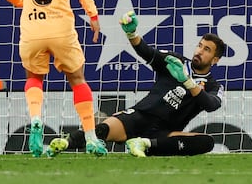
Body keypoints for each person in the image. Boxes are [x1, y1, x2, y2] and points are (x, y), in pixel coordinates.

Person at [1, 0, 108, 158]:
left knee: (34, 78)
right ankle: (91, 137)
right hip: (60, 27)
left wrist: (26, 2)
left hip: (32, 26)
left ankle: (36, 119)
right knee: (78, 79)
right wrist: (92, 15)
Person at [47, 10, 226, 157]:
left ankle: (142, 144)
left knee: (207, 142)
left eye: (207, 50)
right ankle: (64, 142)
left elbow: (210, 105)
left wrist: (187, 82)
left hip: (164, 133)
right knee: (103, 128)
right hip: (140, 116)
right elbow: (148, 53)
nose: (200, 51)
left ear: (215, 60)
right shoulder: (176, 61)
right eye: (200, 45)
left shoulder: (213, 86)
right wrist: (132, 33)